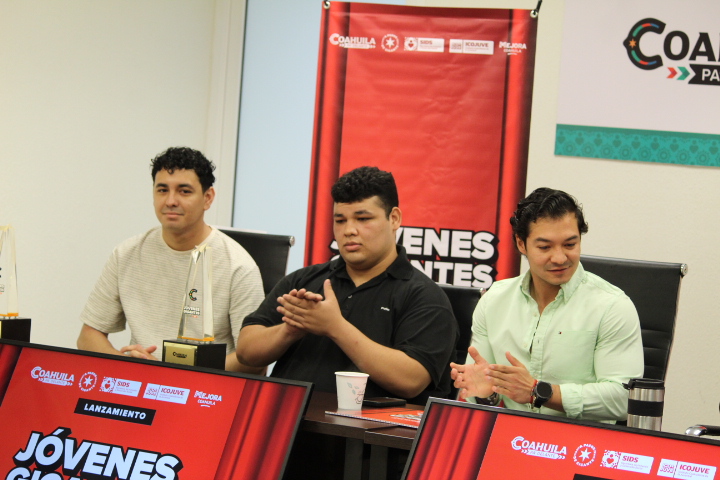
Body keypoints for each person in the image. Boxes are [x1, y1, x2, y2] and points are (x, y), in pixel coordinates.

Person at [236, 166, 458, 403]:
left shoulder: (424, 297)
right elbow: (246, 352)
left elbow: (411, 380)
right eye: (340, 220)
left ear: (394, 219)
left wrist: (335, 327)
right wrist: (289, 330)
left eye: (363, 219)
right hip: (286, 419)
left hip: (367, 426)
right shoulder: (304, 281)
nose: (349, 231)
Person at [451, 187, 643, 423]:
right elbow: (480, 394)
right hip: (511, 436)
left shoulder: (612, 306)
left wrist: (538, 392)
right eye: (545, 247)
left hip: (582, 442)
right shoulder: (494, 300)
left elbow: (623, 399)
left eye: (570, 245)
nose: (560, 258)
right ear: (521, 244)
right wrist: (486, 394)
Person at [77, 147, 265, 373]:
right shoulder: (126, 254)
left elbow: (254, 362)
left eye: (184, 191)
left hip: (206, 386)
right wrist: (126, 363)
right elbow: (88, 336)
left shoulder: (238, 266)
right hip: (139, 381)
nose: (171, 201)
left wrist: (177, 374)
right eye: (162, 190)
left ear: (207, 198)